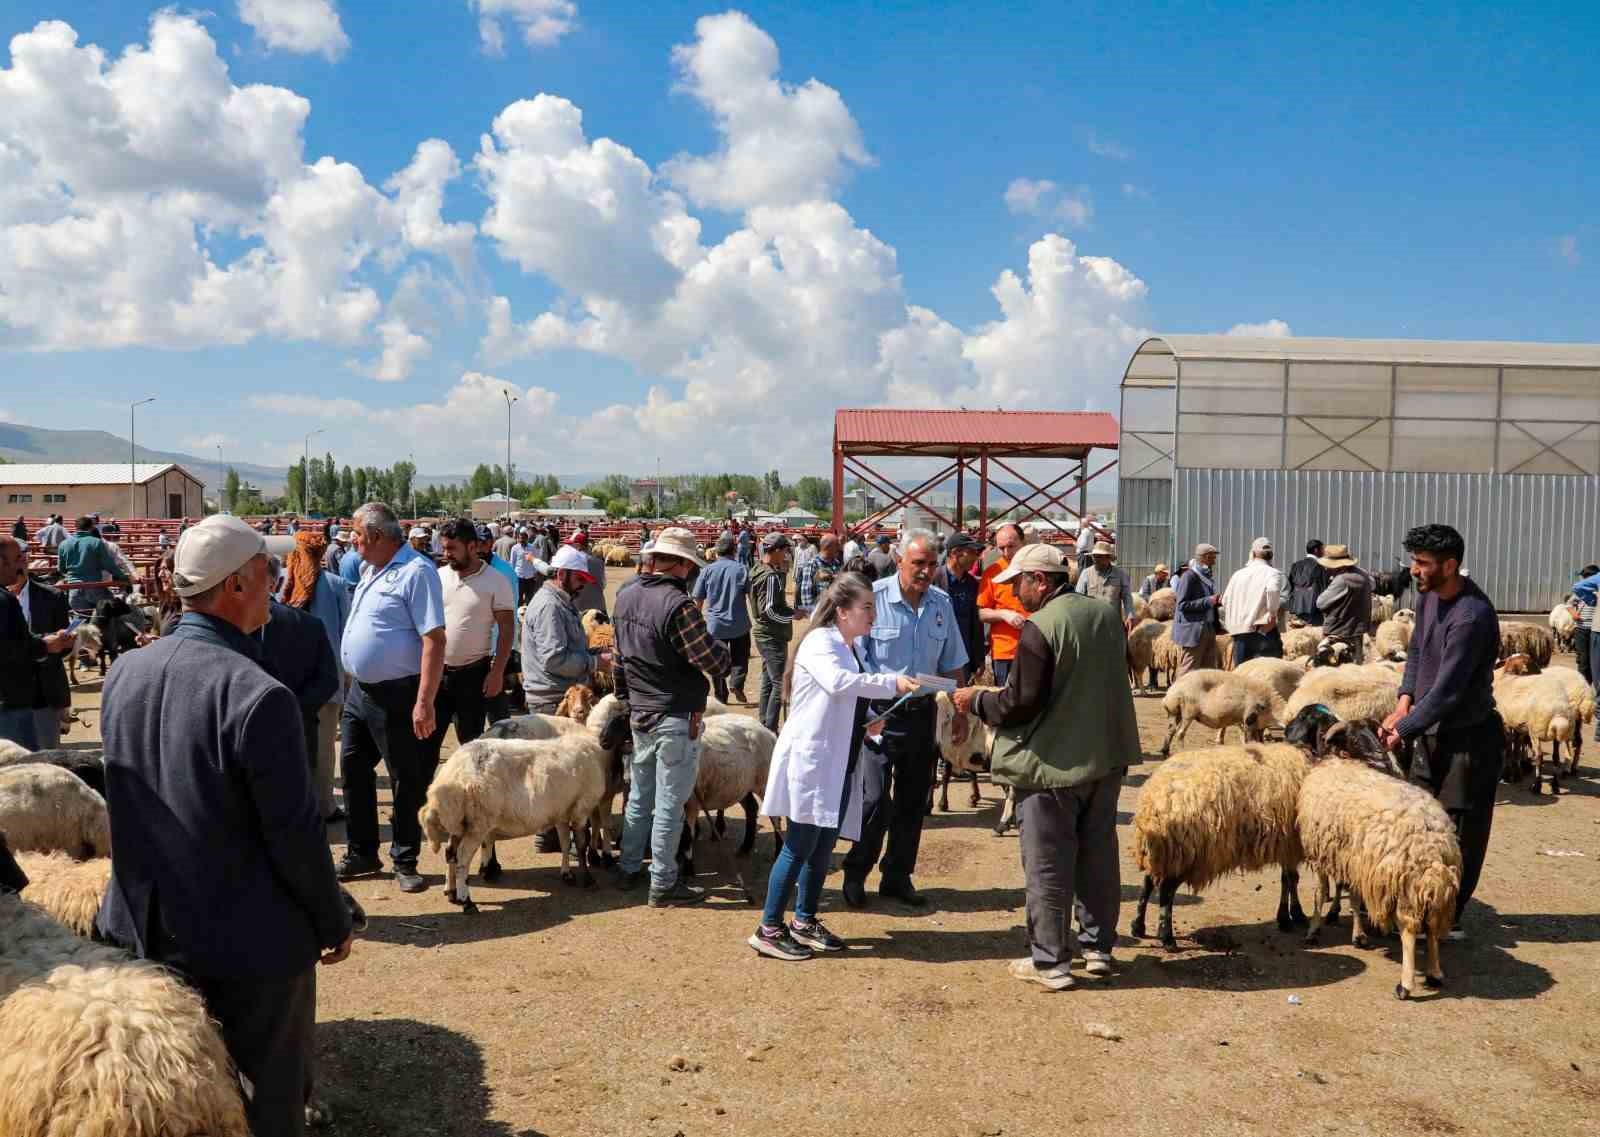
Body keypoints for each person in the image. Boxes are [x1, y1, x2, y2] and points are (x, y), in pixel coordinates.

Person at [93, 515, 352, 1137]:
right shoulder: (257, 694)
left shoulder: (125, 672)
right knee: (268, 1101)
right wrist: (331, 918)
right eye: (267, 572)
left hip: (142, 933)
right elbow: (293, 835)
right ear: (236, 585)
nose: (278, 584)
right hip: (246, 949)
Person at [952, 543, 1137, 989]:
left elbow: (1020, 704)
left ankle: (1050, 962)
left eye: (1018, 584)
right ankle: (1098, 949)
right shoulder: (1105, 616)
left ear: (1040, 580)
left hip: (1052, 766)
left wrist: (976, 700)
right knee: (1098, 858)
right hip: (1105, 759)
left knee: (1047, 864)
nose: (1015, 594)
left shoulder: (1041, 628)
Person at [750, 574, 918, 960]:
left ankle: (804, 920)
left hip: (840, 759)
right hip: (814, 760)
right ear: (843, 612)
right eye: (867, 608)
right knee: (799, 846)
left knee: (824, 846)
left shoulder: (849, 644)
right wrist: (891, 683)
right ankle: (769, 928)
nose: (873, 615)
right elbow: (840, 683)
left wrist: (871, 715)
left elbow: (848, 697)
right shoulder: (819, 643)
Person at [1378, 524, 1502, 940]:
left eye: (1423, 563)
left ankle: (1449, 916)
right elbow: (1416, 652)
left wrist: (1404, 728)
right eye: (1413, 560)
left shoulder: (1472, 616)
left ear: (1450, 565)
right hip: (1429, 731)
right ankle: (1418, 904)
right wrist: (1403, 700)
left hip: (1467, 737)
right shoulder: (1429, 597)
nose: (1414, 570)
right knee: (1421, 821)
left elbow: (1449, 690)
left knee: (1459, 831)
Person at [840, 531, 969, 909]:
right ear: (899, 561)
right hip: (877, 716)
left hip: (921, 716)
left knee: (913, 802)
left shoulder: (941, 605)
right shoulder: (872, 600)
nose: (926, 572)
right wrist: (863, 712)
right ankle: (855, 871)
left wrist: (960, 714)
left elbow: (954, 662)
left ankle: (897, 876)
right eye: (918, 564)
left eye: (931, 564)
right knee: (875, 801)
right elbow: (851, 658)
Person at [613, 527, 731, 906]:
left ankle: (630, 866)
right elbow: (710, 659)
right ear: (681, 564)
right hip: (675, 712)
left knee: (640, 796)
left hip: (641, 710)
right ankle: (663, 881)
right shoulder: (678, 606)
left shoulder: (625, 595)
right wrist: (725, 656)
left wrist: (625, 700)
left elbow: (618, 661)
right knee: (670, 802)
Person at [336, 502, 446, 894]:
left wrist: (424, 701)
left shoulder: (417, 572)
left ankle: (405, 858)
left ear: (379, 537)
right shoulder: (371, 569)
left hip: (398, 695)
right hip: (360, 694)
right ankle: (363, 850)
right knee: (353, 771)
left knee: (405, 778)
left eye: (357, 534)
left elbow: (433, 639)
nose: (352, 540)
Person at [256, 557, 342, 824]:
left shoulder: (223, 629)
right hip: (299, 727)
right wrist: (297, 707)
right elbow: (328, 680)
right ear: (278, 582)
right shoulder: (308, 625)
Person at [426, 518, 515, 765]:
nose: (446, 554)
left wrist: (497, 672)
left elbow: (507, 629)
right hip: (436, 675)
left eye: (452, 548)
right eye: (444, 548)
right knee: (426, 747)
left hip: (473, 677)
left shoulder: (496, 581)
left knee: (472, 751)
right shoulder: (438, 576)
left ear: (473, 547)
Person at [282, 530, 353, 822]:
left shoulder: (284, 584)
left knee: (293, 744)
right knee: (324, 744)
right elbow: (347, 630)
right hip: (327, 678)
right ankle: (325, 806)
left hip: (289, 678)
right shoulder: (336, 585)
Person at [0, 537, 74, 749]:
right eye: (15, 559)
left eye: (23, 558)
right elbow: (9, 649)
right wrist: (44, 645)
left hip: (42, 695)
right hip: (12, 701)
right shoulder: (5, 600)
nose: (19, 565)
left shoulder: (52, 596)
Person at [522, 544, 607, 713]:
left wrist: (599, 652)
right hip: (552, 701)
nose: (582, 585)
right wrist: (597, 662)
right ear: (561, 574)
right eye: (579, 579)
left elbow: (570, 648)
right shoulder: (550, 606)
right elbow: (555, 660)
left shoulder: (562, 602)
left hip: (562, 695)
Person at [692, 532, 752, 704]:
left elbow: (698, 599)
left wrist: (696, 622)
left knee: (716, 661)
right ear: (734, 551)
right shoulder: (742, 569)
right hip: (739, 623)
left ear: (716, 552)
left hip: (715, 625)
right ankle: (736, 683)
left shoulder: (707, 570)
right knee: (741, 656)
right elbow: (751, 595)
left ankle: (720, 695)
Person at [748, 533, 795, 731]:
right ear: (775, 550)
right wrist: (793, 615)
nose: (786, 555)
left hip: (766, 633)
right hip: (771, 634)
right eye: (784, 550)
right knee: (779, 684)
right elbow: (769, 611)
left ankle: (765, 723)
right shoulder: (770, 577)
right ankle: (771, 728)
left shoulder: (759, 569)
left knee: (769, 680)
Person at [978, 523, 1030, 685]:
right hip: (1004, 651)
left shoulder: (1036, 568)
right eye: (1001, 548)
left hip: (1034, 647)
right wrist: (1003, 614)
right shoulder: (992, 572)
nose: (1007, 553)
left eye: (1011, 546)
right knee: (1005, 701)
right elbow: (981, 612)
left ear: (1024, 543)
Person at [1220, 537, 1285, 665]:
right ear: (1271, 555)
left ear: (1253, 553)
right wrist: (1272, 614)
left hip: (1239, 633)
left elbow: (1225, 601)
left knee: (1242, 675)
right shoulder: (1273, 573)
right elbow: (1272, 590)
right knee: (1265, 673)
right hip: (1262, 630)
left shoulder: (1237, 575)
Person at [934, 532, 985, 683]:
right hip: (936, 657)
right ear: (955, 553)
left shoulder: (972, 584)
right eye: (972, 552)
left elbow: (976, 623)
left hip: (963, 659)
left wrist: (979, 658)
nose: (976, 557)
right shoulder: (934, 579)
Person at [56, 514, 131, 613]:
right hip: (95, 587)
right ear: (92, 527)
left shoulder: (64, 544)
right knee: (111, 614)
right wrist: (123, 577)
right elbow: (109, 565)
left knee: (81, 619)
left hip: (74, 589)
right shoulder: (96, 542)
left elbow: (61, 569)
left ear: (76, 527)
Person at [1315, 544, 1371, 662]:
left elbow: (1320, 603)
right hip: (1357, 629)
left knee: (1333, 667)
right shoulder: (1363, 575)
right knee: (1354, 666)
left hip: (1338, 631)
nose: (1327, 568)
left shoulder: (1342, 580)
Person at [1172, 543, 1222, 674]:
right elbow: (1182, 604)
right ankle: (1180, 694)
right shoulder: (1189, 576)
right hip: (1194, 631)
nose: (1214, 561)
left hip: (1208, 627)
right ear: (1204, 557)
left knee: (1208, 670)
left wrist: (1217, 602)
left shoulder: (1206, 577)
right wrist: (1209, 600)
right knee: (1189, 669)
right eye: (1212, 557)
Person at [1075, 541, 1134, 629]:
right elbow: (1078, 598)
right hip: (1091, 623)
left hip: (1113, 623)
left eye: (1099, 556)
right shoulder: (1086, 573)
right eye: (1094, 556)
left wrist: (1129, 615)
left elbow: (1127, 597)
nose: (1095, 559)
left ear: (1108, 558)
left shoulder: (1120, 574)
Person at [1567, 564, 1600, 687]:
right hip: (1581, 630)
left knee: (1594, 661)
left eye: (1586, 577)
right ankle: (1582, 685)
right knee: (1584, 660)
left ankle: (1590, 684)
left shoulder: (1597, 592)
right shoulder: (1581, 592)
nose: (1584, 580)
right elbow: (1568, 604)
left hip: (1594, 630)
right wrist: (1573, 613)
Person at [796, 533, 843, 618]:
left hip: (835, 610)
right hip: (820, 612)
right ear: (829, 546)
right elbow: (806, 591)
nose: (839, 548)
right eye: (837, 545)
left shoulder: (836, 563)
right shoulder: (812, 564)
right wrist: (812, 614)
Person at [1287, 539, 1329, 626]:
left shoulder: (1296, 565)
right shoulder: (1320, 567)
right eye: (1322, 549)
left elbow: (1290, 587)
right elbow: (1325, 589)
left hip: (1297, 609)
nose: (1324, 552)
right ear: (1316, 550)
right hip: (1314, 611)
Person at [568, 531, 608, 618]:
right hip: (598, 607)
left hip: (578, 608)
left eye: (572, 545)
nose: (570, 548)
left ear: (578, 546)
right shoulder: (599, 562)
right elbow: (603, 584)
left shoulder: (570, 563)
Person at [510, 529, 543, 605]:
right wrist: (512, 575)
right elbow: (512, 562)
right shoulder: (515, 548)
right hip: (519, 576)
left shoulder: (532, 548)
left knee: (530, 597)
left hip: (530, 576)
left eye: (523, 538)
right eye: (520, 538)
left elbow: (535, 560)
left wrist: (535, 573)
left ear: (527, 538)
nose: (521, 540)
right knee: (519, 597)